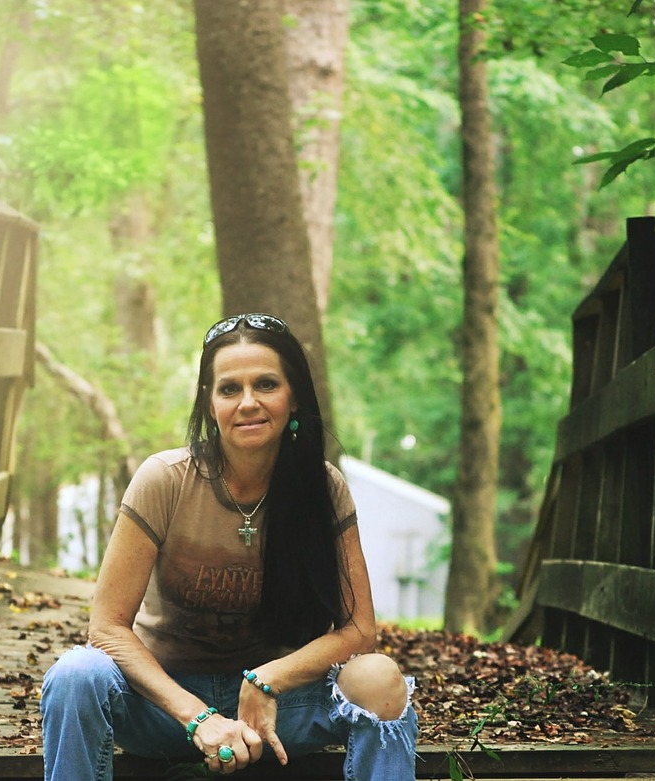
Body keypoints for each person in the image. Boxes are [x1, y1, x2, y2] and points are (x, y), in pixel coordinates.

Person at [40, 313, 418, 780]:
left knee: (379, 678)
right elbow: (108, 628)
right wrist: (198, 717)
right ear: (209, 400)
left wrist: (268, 679)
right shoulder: (165, 480)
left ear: (294, 395)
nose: (248, 403)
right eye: (229, 389)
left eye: (266, 384)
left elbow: (360, 629)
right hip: (167, 708)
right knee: (76, 675)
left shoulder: (323, 488)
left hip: (279, 710)